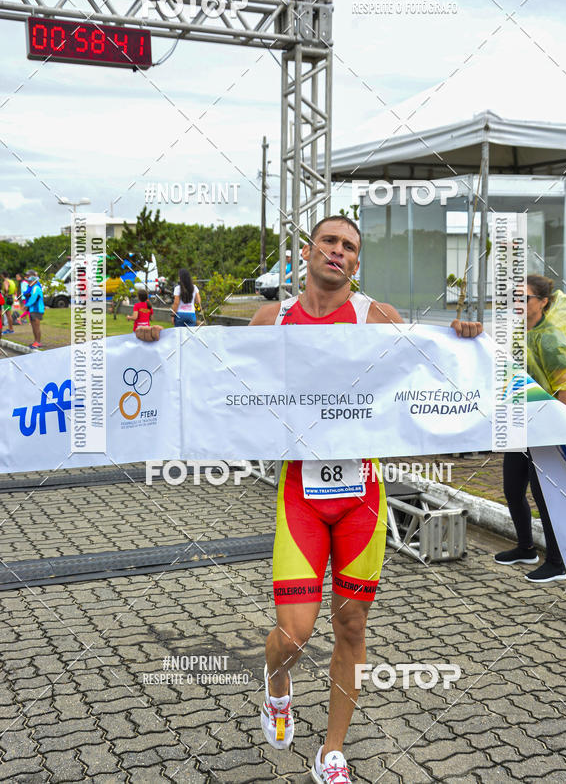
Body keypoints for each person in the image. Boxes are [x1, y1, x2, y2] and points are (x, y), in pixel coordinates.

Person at [134, 215, 482, 782]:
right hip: (300, 493)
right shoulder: (274, 318)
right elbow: (210, 373)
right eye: (329, 241)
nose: (338, 252)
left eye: (349, 246)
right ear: (308, 250)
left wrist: (464, 341)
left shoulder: (378, 318)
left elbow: (435, 367)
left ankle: (332, 752)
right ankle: (276, 685)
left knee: (350, 628)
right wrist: (156, 344)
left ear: (357, 262)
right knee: (293, 636)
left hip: (361, 498)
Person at [495, 274, 566, 583]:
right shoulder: (519, 334)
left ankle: (557, 562)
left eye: (524, 298)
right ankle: (525, 547)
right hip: (523, 424)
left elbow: (564, 388)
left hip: (546, 429)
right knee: (513, 489)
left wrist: (557, 433)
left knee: (545, 496)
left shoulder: (550, 337)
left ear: (542, 302)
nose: (517, 304)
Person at [23, 270, 45, 349]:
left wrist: (26, 305)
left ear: (33, 281)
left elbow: (33, 298)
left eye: (30, 281)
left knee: (36, 326)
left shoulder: (36, 288)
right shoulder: (33, 288)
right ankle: (35, 341)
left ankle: (38, 342)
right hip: (33, 309)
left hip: (37, 310)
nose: (28, 282)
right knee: (33, 326)